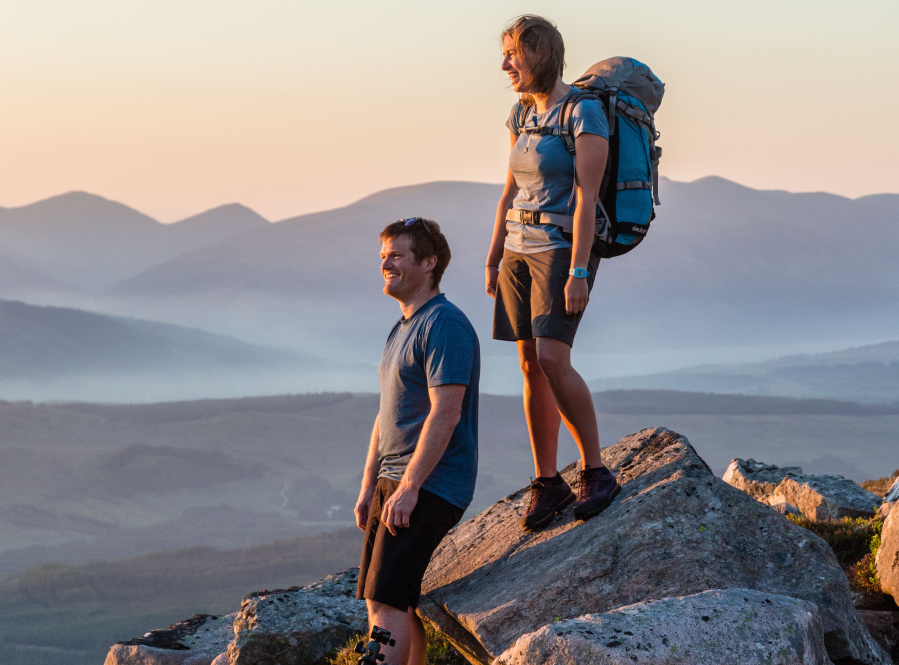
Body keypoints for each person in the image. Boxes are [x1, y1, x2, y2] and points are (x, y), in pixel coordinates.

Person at [485, 15, 619, 531]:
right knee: (528, 364)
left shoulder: (583, 113)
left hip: (562, 249)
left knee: (552, 357)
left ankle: (596, 470)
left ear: (540, 54)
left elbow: (588, 196)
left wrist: (580, 270)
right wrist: (494, 256)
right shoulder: (520, 113)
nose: (504, 66)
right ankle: (548, 482)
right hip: (518, 248)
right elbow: (509, 190)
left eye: (513, 54)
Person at [355, 217, 480, 665]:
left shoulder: (444, 325)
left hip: (428, 482)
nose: (386, 263)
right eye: (383, 256)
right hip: (398, 481)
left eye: (397, 255)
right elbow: (386, 415)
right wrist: (370, 485)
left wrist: (409, 486)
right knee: (395, 602)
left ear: (429, 263)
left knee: (385, 601)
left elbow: (446, 413)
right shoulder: (403, 326)